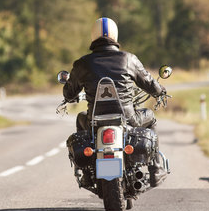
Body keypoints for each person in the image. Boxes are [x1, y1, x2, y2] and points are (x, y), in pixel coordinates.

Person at [62, 17, 167, 186]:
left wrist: (69, 96)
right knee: (151, 116)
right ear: (115, 36)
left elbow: (69, 92)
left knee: (80, 118)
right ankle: (156, 169)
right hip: (128, 118)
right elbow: (148, 82)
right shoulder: (128, 59)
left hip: (94, 121)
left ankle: (87, 174)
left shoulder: (83, 63)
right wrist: (160, 91)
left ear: (93, 36)